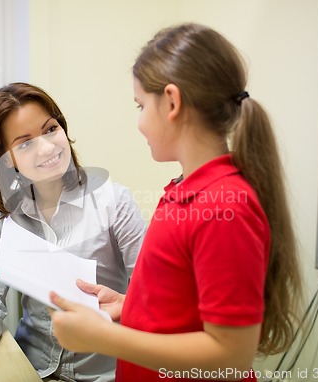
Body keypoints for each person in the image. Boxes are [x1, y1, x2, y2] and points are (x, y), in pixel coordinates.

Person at [49, 23, 303, 381]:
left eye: (140, 106)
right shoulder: (186, 190)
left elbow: (230, 356)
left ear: (171, 101)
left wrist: (107, 339)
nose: (138, 123)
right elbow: (182, 304)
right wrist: (129, 306)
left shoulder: (224, 207)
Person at [0, 82, 146, 382]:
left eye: (50, 129)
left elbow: (155, 300)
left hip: (104, 375)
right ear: (7, 161)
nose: (47, 147)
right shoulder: (5, 214)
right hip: (30, 368)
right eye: (25, 143)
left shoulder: (115, 202)